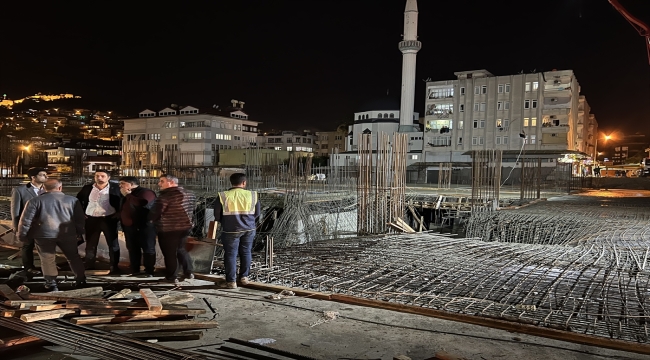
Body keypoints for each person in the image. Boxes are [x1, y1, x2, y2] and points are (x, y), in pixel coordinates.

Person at [17, 179, 86, 291]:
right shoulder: (73, 200)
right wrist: (80, 233)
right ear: (60, 187)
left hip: (44, 234)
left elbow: (25, 221)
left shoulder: (35, 201)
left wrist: (22, 236)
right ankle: (80, 279)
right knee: (73, 257)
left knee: (47, 258)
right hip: (67, 234)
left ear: (44, 188)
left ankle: (51, 283)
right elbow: (79, 220)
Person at [213, 173, 261, 289]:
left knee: (230, 255)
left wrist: (225, 222)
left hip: (230, 230)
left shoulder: (223, 196)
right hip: (249, 228)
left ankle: (231, 282)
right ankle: (244, 277)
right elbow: (257, 213)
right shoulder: (252, 195)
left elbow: (217, 215)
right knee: (246, 252)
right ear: (244, 182)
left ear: (231, 182)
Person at [149, 174, 196, 284]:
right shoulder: (190, 194)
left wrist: (150, 220)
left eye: (162, 181)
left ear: (170, 182)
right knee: (181, 249)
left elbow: (155, 212)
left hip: (168, 228)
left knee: (169, 253)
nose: (159, 184)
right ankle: (189, 272)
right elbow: (192, 209)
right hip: (185, 227)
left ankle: (172, 277)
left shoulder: (165, 196)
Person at [76, 170, 122, 274]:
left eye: (102, 176)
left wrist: (119, 213)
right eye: (97, 176)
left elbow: (123, 200)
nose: (99, 178)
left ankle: (114, 266)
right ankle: (89, 264)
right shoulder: (88, 188)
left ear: (108, 177)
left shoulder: (115, 188)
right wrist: (81, 213)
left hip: (108, 218)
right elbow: (78, 201)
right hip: (91, 219)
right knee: (91, 244)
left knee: (113, 244)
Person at [10, 167, 48, 275]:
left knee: (46, 246)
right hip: (28, 224)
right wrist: (16, 226)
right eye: (42, 175)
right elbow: (15, 210)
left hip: (45, 224)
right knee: (27, 246)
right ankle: (29, 268)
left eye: (46, 174)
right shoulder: (20, 190)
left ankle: (47, 266)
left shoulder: (48, 189)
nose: (46, 177)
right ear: (33, 177)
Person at [119, 176, 157, 277]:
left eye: (123, 183)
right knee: (132, 248)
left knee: (148, 248)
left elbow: (142, 203)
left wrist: (128, 195)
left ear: (131, 184)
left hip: (144, 226)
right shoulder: (125, 195)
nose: (120, 186)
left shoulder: (146, 192)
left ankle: (149, 271)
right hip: (130, 227)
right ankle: (134, 270)